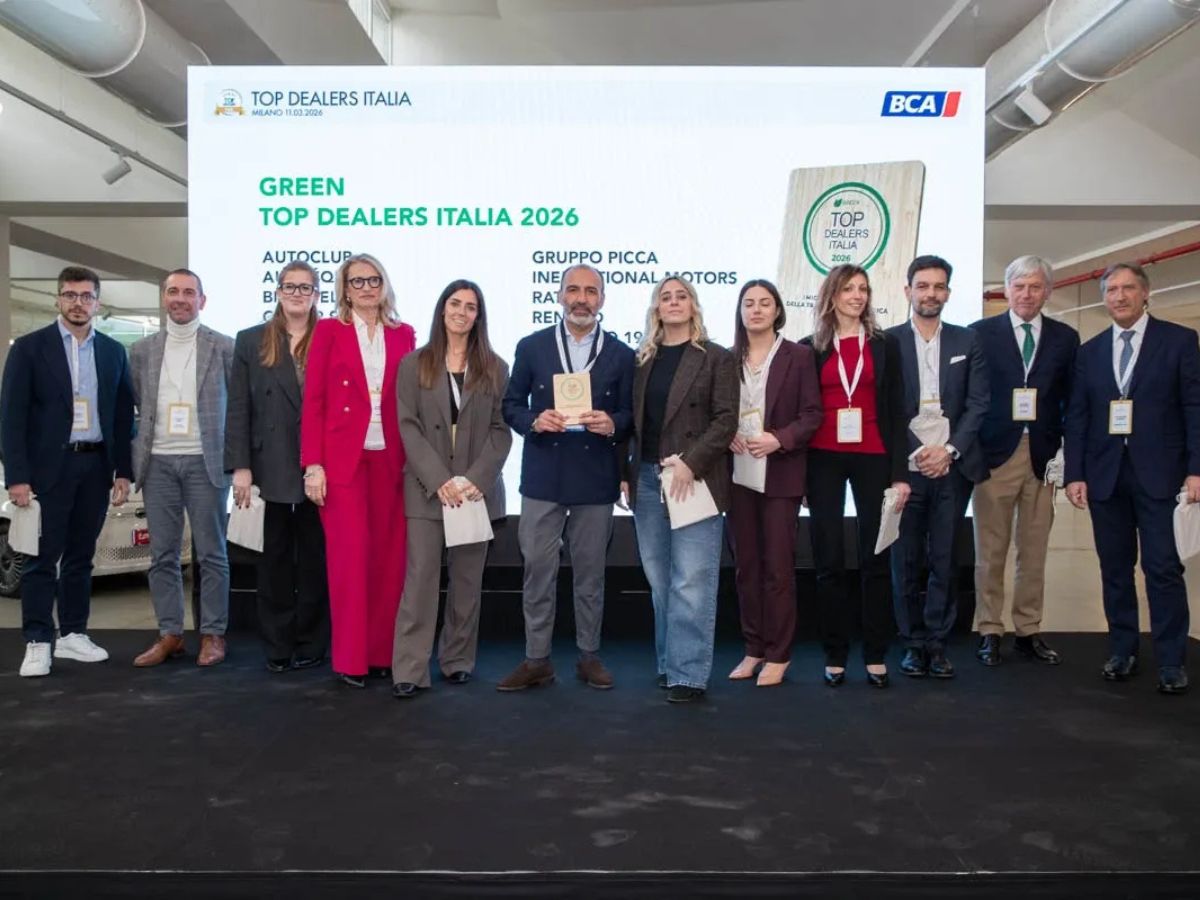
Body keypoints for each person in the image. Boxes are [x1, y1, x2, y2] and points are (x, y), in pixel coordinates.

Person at [1065, 262, 1200, 695]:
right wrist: (1075, 473)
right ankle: (1122, 650)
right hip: (1105, 477)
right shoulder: (1089, 351)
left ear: (1145, 294)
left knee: (1163, 568)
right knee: (1115, 568)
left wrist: (1196, 469)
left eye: (1127, 288)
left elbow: (1194, 408)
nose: (1119, 297)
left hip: (1161, 476)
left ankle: (1171, 661)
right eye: (1111, 290)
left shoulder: (1179, 341)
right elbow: (1078, 417)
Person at [498, 264, 634, 691]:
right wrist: (534, 421)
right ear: (558, 296)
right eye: (573, 290)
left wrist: (613, 423)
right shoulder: (532, 346)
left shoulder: (622, 354)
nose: (581, 299)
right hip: (544, 477)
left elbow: (631, 415)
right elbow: (510, 405)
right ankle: (536, 659)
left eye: (591, 291)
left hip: (595, 478)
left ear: (602, 299)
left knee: (590, 575)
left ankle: (588, 656)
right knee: (538, 571)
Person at [1, 265, 134, 677]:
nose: (79, 303)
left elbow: (121, 417)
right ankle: (38, 641)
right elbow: (11, 417)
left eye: (86, 296)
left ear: (97, 302)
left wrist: (123, 471)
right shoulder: (30, 348)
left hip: (95, 466)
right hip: (47, 471)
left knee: (81, 556)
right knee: (41, 558)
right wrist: (17, 477)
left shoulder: (113, 351)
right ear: (58, 299)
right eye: (70, 295)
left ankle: (73, 634)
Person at [391, 279, 512, 698]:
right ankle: (409, 668)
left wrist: (476, 479)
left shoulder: (495, 368)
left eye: (471, 307)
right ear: (442, 310)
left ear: (479, 316)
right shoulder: (414, 364)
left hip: (475, 492)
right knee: (420, 580)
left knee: (466, 583)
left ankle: (458, 660)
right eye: (455, 304)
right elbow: (408, 426)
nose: (462, 312)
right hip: (428, 490)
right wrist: (438, 479)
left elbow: (501, 430)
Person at [301, 253, 415, 688]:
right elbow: (314, 401)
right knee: (349, 560)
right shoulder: (329, 331)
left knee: (390, 560)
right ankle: (350, 659)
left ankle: (382, 653)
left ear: (384, 285)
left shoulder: (404, 334)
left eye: (374, 280)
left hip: (391, 459)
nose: (366, 288)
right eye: (357, 281)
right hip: (343, 461)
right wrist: (313, 465)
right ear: (345, 290)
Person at [626, 276, 737, 703]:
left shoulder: (716, 357)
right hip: (648, 479)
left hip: (694, 478)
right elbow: (635, 426)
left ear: (694, 305)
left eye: (681, 296)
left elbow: (726, 420)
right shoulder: (643, 359)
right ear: (656, 308)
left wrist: (691, 462)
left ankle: (688, 674)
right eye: (665, 297)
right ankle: (668, 664)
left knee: (691, 580)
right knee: (660, 581)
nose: (673, 302)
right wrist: (626, 472)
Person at [802, 266, 911, 689]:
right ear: (832, 295)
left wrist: (900, 474)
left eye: (863, 289)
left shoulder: (885, 346)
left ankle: (876, 653)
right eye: (848, 288)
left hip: (874, 458)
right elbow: (804, 412)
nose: (857, 295)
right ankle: (834, 653)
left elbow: (898, 411)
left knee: (876, 557)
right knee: (828, 559)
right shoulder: (810, 347)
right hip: (823, 459)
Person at [969, 255, 1078, 667]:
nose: (1027, 294)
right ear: (1006, 290)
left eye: (1035, 287)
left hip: (1044, 457)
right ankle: (989, 629)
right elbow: (971, 396)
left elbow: (1073, 400)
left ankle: (1028, 629)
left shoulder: (1065, 338)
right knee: (990, 550)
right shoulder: (980, 334)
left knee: (1033, 551)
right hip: (995, 455)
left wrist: (1067, 452)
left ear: (1047, 291)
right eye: (1019, 286)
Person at [886, 255, 989, 679]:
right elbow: (885, 408)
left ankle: (938, 643)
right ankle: (912, 643)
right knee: (906, 560)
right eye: (923, 285)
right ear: (908, 291)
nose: (931, 293)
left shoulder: (968, 340)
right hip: (906, 469)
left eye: (939, 286)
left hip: (953, 467)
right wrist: (918, 452)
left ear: (948, 292)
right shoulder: (887, 341)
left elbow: (979, 403)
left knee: (945, 557)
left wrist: (948, 450)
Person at [225, 261, 329, 673]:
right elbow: (238, 407)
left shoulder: (331, 336)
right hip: (269, 466)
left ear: (316, 294)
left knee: (316, 561)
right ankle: (278, 646)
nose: (297, 294)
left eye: (305, 288)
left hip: (320, 467)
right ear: (278, 291)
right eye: (290, 286)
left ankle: (312, 642)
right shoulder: (251, 340)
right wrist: (241, 467)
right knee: (273, 563)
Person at [130, 269, 235, 668]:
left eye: (189, 292)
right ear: (164, 297)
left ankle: (213, 634)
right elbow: (139, 403)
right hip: (157, 462)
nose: (180, 298)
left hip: (206, 462)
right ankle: (170, 633)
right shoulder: (142, 351)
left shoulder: (223, 347)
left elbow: (236, 408)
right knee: (162, 555)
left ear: (201, 301)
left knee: (212, 553)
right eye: (173, 291)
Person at [726, 279, 822, 687]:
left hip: (780, 472)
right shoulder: (727, 358)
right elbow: (718, 411)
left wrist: (778, 439)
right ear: (740, 311)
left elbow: (812, 414)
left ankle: (779, 654)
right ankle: (754, 648)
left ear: (778, 310)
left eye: (765, 303)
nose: (756, 310)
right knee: (746, 568)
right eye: (749, 303)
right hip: (738, 474)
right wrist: (727, 432)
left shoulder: (799, 356)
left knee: (778, 569)